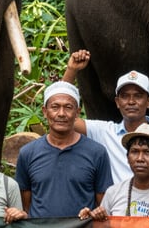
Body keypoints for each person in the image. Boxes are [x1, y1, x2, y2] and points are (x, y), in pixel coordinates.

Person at [63, 51, 149, 182]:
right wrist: (71, 70)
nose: (131, 101)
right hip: (116, 201)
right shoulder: (105, 132)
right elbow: (65, 117)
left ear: (148, 101)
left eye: (138, 96)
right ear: (117, 102)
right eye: (125, 96)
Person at [15, 81, 112, 219]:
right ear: (45, 111)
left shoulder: (97, 152)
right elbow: (25, 204)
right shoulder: (28, 153)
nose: (61, 114)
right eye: (55, 107)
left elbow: (103, 204)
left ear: (77, 112)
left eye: (68, 107)